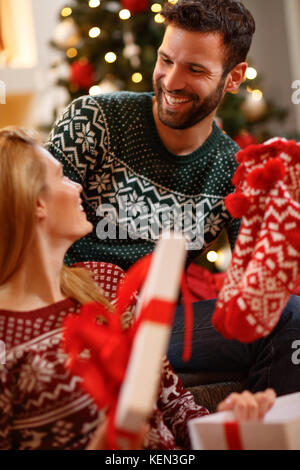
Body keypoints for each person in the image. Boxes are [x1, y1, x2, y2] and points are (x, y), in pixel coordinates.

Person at [46, 0, 300, 396]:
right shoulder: (93, 120)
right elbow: (28, 219)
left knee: (291, 318)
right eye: (166, 59)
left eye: (195, 69)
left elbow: (255, 290)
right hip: (67, 316)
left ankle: (250, 427)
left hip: (156, 327)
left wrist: (283, 209)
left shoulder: (234, 171)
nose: (171, 80)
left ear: (233, 78)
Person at [0, 127, 276, 450]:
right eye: (62, 177)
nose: (77, 187)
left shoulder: (106, 282)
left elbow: (175, 405)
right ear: (36, 205)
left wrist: (227, 428)